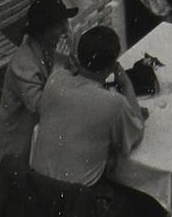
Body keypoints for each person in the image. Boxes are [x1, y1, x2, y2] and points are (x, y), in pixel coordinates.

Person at [30, 25, 146, 187]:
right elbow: (137, 131)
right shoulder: (114, 103)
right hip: (77, 201)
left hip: (35, 188)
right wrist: (126, 83)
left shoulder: (56, 79)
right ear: (112, 66)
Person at [0, 0, 75, 178]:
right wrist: (63, 69)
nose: (66, 30)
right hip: (15, 150)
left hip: (36, 136)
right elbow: (43, 109)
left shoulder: (49, 48)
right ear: (41, 32)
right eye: (59, 25)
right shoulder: (23, 64)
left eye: (65, 22)